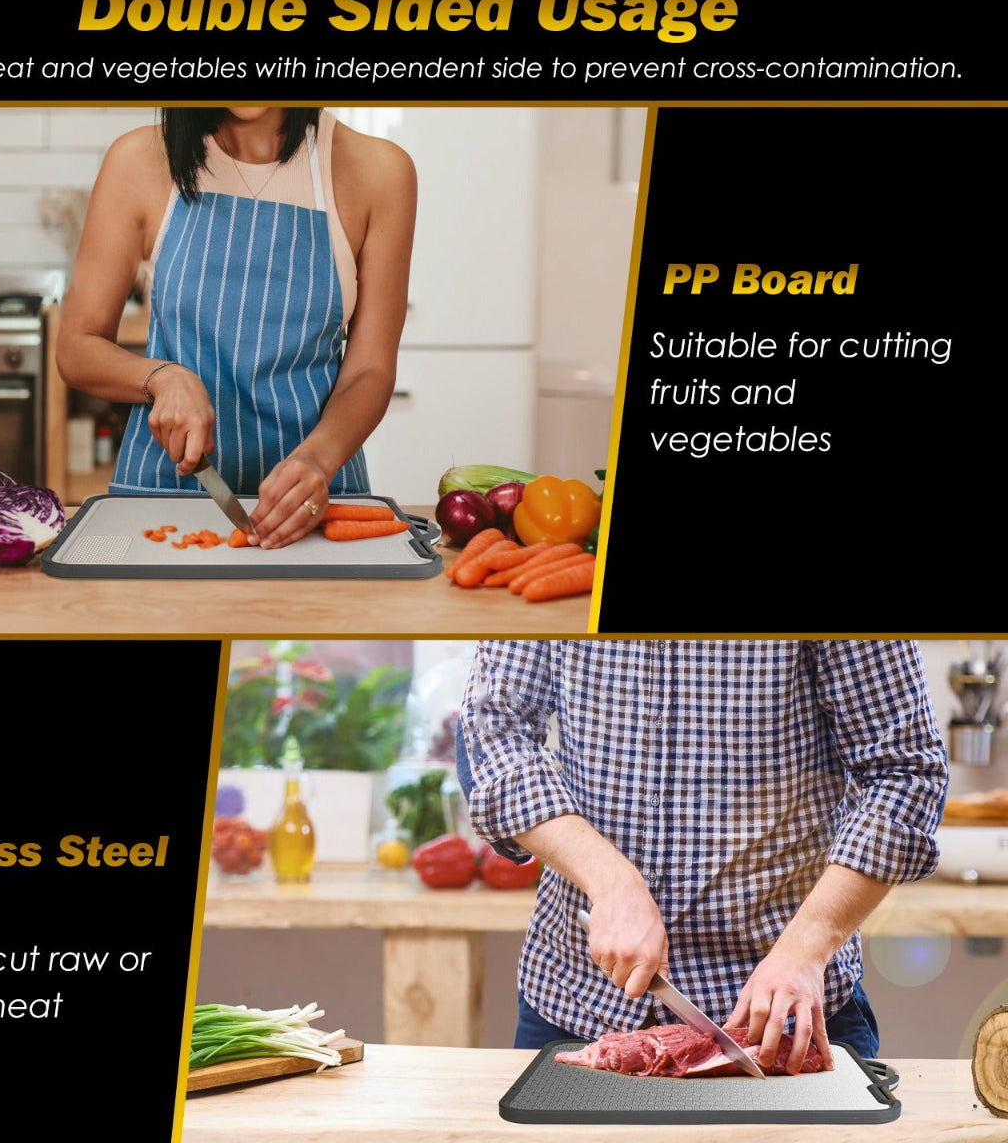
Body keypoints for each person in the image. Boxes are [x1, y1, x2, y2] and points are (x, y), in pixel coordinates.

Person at [456, 639, 948, 1073]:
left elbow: (905, 773)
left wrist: (807, 946)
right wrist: (611, 882)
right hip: (577, 1000)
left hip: (779, 1020)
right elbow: (494, 731)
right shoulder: (554, 567)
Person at [56, 107, 416, 548]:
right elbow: (78, 345)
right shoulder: (139, 160)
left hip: (317, 507)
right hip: (162, 502)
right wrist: (162, 378)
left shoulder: (379, 171)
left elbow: (370, 368)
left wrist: (318, 461)